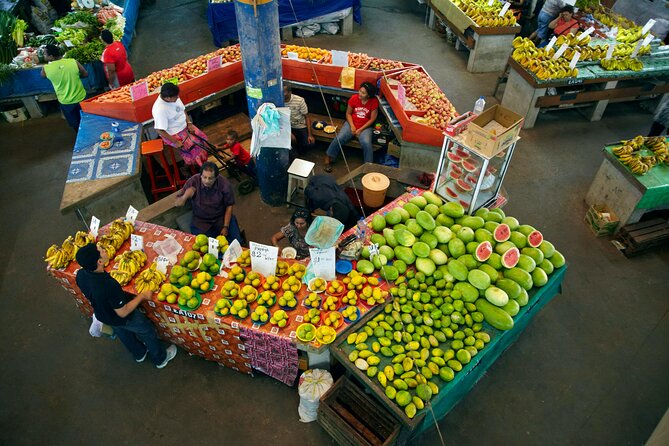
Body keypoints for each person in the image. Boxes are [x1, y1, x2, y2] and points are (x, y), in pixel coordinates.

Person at [75, 243, 177, 368]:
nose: (105, 250)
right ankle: (160, 358)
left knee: (123, 333)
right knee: (146, 330)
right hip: (122, 317)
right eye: (101, 251)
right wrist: (142, 296)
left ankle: (139, 353)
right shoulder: (108, 285)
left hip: (103, 314)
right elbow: (123, 312)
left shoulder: (81, 275)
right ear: (100, 261)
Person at [174, 161, 243, 242]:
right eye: (204, 177)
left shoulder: (224, 184)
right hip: (201, 221)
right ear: (200, 175)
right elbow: (177, 203)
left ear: (216, 177)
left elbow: (229, 206)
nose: (206, 181)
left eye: (210, 178)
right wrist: (185, 196)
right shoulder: (193, 181)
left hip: (221, 217)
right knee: (203, 247)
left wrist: (225, 226)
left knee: (236, 242)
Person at [324, 82, 379, 172]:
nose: (360, 94)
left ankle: (368, 166)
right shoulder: (354, 98)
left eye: (363, 93)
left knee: (366, 142)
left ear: (368, 95)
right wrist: (352, 126)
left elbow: (372, 119)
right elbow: (348, 113)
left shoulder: (374, 102)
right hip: (351, 123)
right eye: (360, 91)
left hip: (365, 127)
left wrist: (360, 129)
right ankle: (328, 157)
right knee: (340, 137)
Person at [152, 82, 209, 167]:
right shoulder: (159, 109)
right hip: (174, 133)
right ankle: (196, 167)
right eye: (175, 97)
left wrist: (189, 123)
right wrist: (175, 141)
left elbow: (182, 109)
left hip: (185, 126)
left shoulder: (174, 96)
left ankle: (203, 162)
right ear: (168, 98)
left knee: (202, 140)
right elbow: (159, 130)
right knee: (195, 148)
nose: (178, 98)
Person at [41, 44, 88, 131]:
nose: (43, 55)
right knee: (87, 119)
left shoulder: (46, 68)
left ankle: (80, 136)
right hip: (81, 97)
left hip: (66, 102)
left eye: (44, 54)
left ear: (51, 56)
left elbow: (43, 76)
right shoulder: (73, 62)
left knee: (75, 124)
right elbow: (85, 74)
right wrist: (76, 76)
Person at [284, 84, 315, 155]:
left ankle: (300, 151)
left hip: (300, 126)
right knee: (292, 144)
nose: (282, 94)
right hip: (287, 127)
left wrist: (310, 135)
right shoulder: (279, 101)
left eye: (284, 92)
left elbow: (307, 117)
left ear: (290, 92)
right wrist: (289, 133)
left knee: (309, 143)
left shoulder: (299, 100)